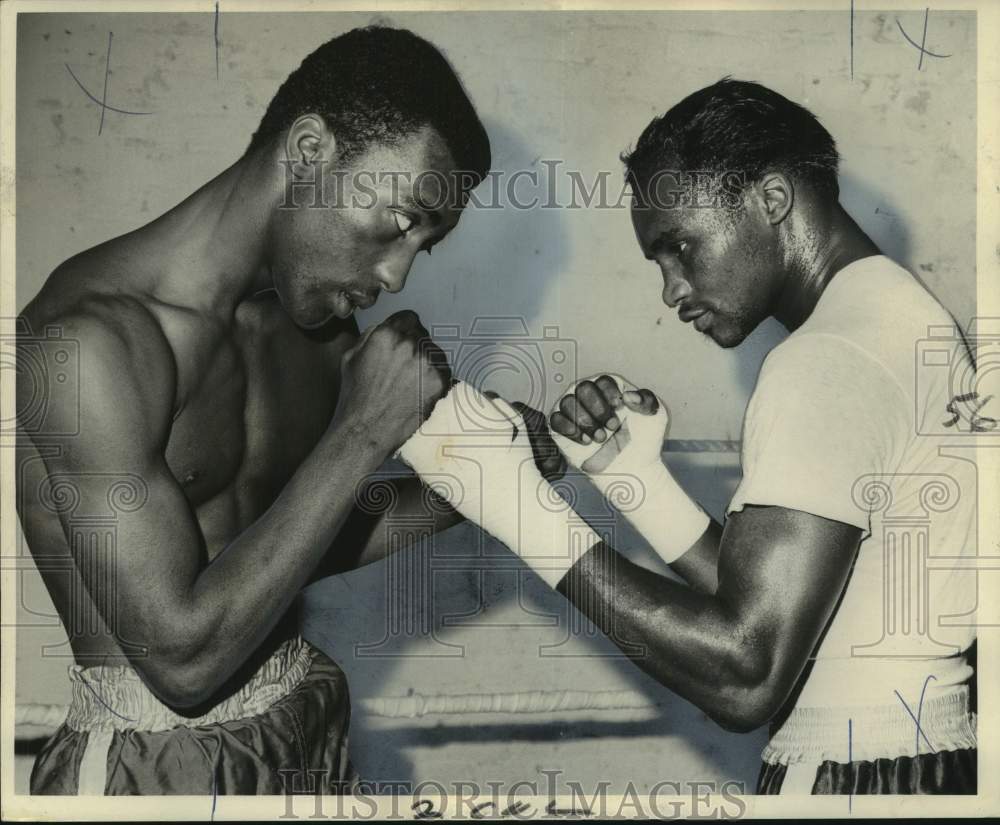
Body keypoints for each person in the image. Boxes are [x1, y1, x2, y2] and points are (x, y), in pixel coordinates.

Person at [15, 25, 562, 796]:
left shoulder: (315, 328)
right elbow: (184, 662)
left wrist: (481, 481)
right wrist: (365, 427)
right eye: (402, 221)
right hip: (154, 765)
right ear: (308, 150)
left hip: (303, 722)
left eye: (423, 247)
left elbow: (289, 545)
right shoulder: (91, 343)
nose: (399, 275)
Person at [398, 79, 980, 795]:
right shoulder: (901, 318)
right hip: (926, 754)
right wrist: (637, 484)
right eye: (658, 262)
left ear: (770, 200)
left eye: (680, 246)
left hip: (852, 768)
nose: (671, 292)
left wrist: (517, 508)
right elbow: (802, 607)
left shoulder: (827, 360)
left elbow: (747, 671)